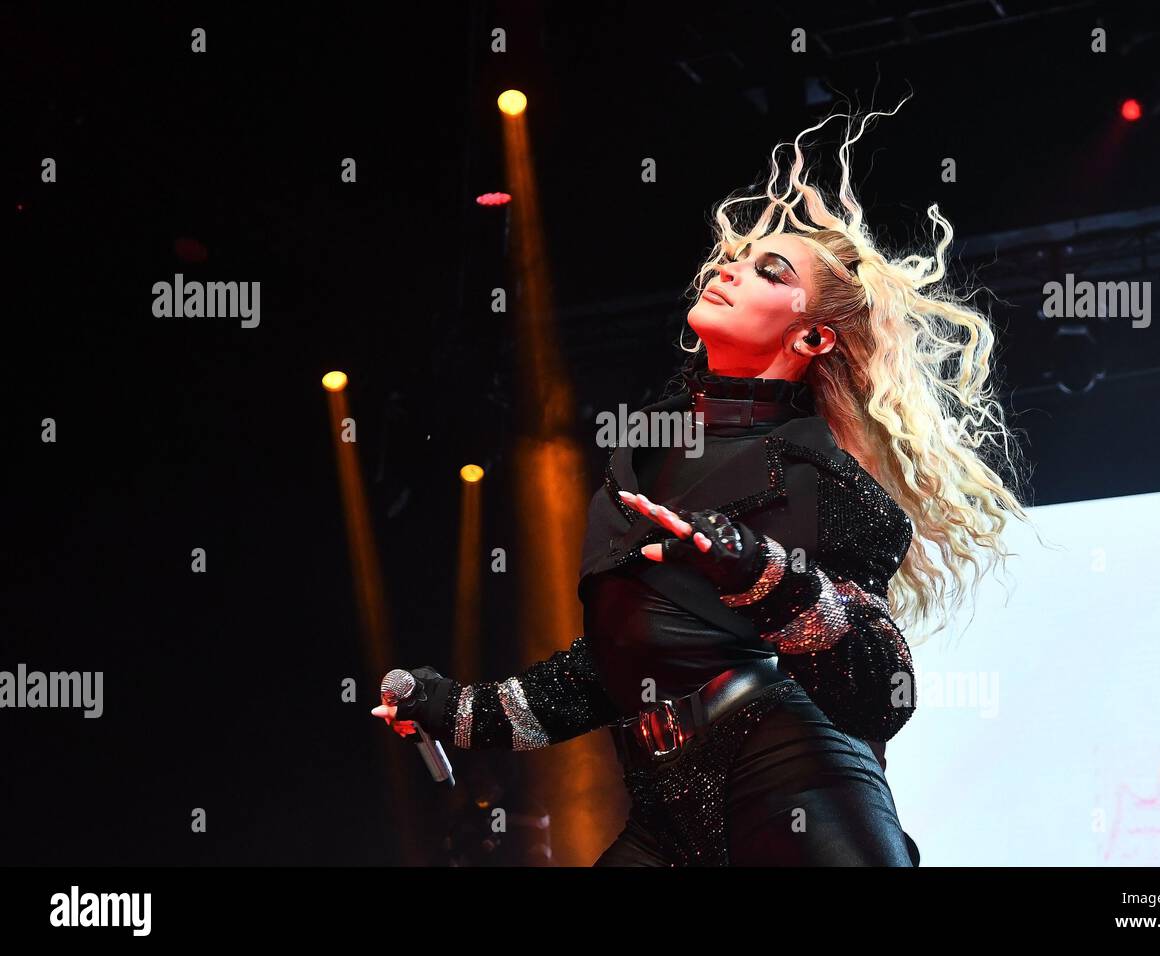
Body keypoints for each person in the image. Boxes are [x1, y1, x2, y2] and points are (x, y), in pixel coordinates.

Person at [372, 106, 1032, 866]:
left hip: (791, 773)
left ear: (812, 336)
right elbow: (614, 664)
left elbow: (882, 687)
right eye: (732, 259)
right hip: (659, 798)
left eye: (768, 271)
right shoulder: (639, 455)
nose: (727, 268)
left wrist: (764, 574)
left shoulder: (821, 473)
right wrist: (460, 710)